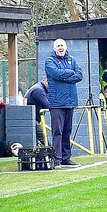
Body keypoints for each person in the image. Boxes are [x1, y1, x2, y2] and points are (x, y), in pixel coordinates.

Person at [45, 38, 84, 167]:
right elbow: (56, 73)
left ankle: (66, 158)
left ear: (65, 47)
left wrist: (64, 77)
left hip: (70, 102)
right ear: (54, 48)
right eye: (58, 46)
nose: (60, 48)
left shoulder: (72, 60)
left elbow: (79, 75)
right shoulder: (49, 61)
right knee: (57, 132)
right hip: (56, 103)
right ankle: (57, 158)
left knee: (67, 131)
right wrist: (70, 73)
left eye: (62, 45)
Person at [24, 77, 49, 145]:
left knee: (41, 137)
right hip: (31, 119)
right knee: (42, 136)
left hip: (32, 118)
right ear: (45, 81)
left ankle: (50, 150)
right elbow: (47, 105)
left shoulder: (40, 88)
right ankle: (52, 151)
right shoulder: (38, 90)